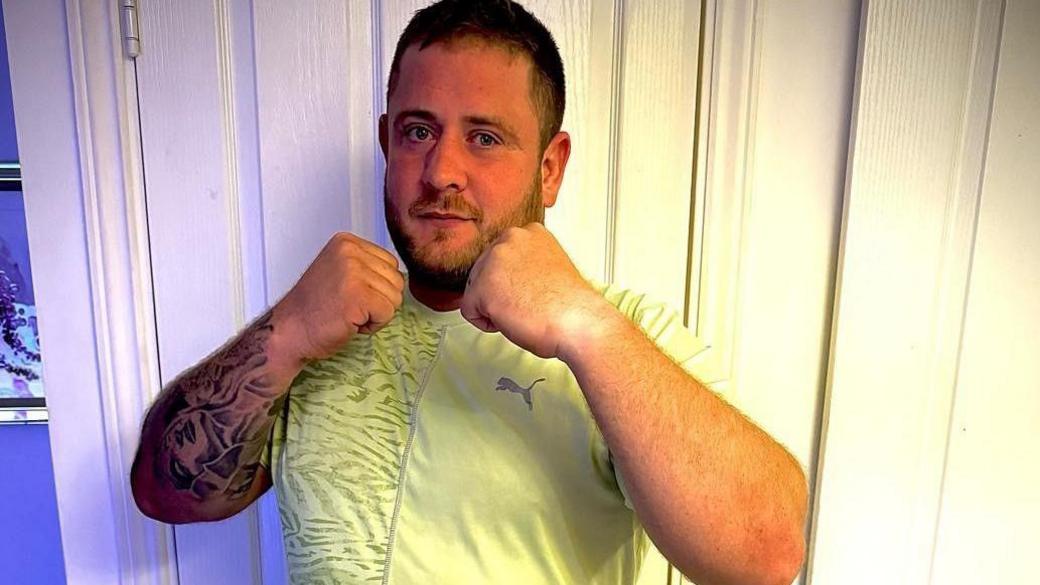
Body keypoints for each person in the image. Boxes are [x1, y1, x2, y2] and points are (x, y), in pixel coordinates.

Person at [131, 1, 808, 583]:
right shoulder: (317, 330)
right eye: (418, 131)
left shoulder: (618, 334)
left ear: (550, 167)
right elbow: (166, 493)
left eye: (484, 138)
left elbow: (765, 557)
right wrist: (286, 333)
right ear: (386, 143)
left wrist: (583, 324)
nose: (441, 171)